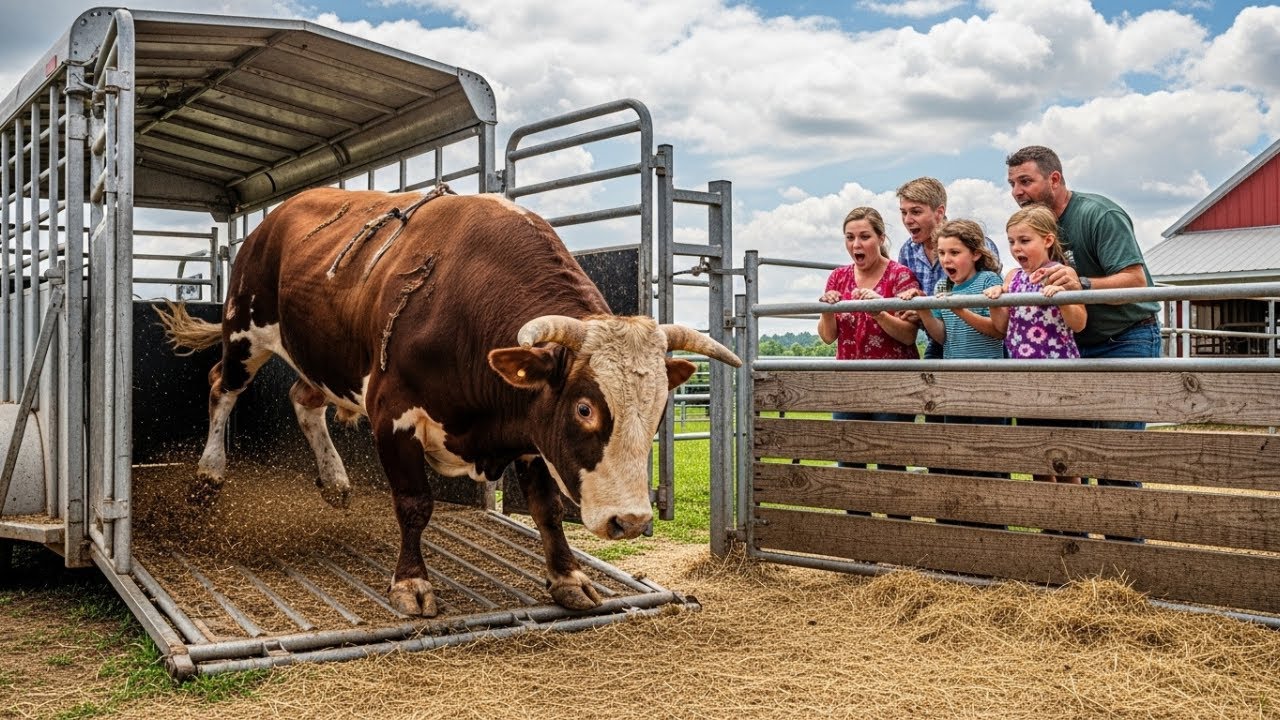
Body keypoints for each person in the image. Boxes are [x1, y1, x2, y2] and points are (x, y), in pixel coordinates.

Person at [1006, 145, 1159, 541]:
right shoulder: (1032, 231)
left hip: (1124, 336)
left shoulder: (1097, 214)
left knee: (1113, 454)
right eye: (1012, 184)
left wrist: (1083, 284)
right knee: (1068, 451)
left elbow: (1136, 281)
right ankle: (1072, 548)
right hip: (1071, 346)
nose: (1018, 191)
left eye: (1026, 181)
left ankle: (1124, 556)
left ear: (1053, 179)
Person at [818, 207, 919, 517]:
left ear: (880, 238)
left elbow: (908, 336)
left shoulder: (900, 276)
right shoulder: (839, 276)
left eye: (864, 237)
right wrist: (827, 309)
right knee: (850, 460)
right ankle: (859, 536)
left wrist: (879, 311)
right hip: (849, 380)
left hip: (892, 382)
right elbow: (827, 337)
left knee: (890, 460)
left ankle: (894, 533)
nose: (856, 245)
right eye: (850, 238)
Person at [913, 219, 1007, 528]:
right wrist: (926, 311)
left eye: (955, 252)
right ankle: (955, 528)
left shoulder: (988, 282)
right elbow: (943, 337)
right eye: (942, 253)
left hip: (987, 387)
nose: (947, 260)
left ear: (976, 253)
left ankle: (992, 526)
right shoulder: (943, 287)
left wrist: (961, 309)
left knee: (988, 459)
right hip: (953, 384)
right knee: (954, 456)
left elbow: (997, 331)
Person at [984, 204, 1085, 486]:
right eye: (1012, 242)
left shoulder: (1062, 273)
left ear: (1048, 240)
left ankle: (1074, 526)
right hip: (1024, 376)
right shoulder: (1012, 278)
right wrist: (995, 299)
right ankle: (1047, 518)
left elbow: (1079, 323)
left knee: (1064, 454)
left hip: (1059, 377)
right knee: (1034, 454)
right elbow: (1002, 327)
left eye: (1025, 241)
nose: (1017, 248)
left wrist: (1062, 297)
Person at [895, 177, 1003, 359]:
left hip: (982, 346)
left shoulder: (978, 244)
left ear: (939, 212)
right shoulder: (907, 252)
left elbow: (996, 307)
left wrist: (955, 308)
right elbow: (930, 317)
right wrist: (919, 308)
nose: (908, 220)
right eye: (903, 213)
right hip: (945, 342)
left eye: (915, 212)